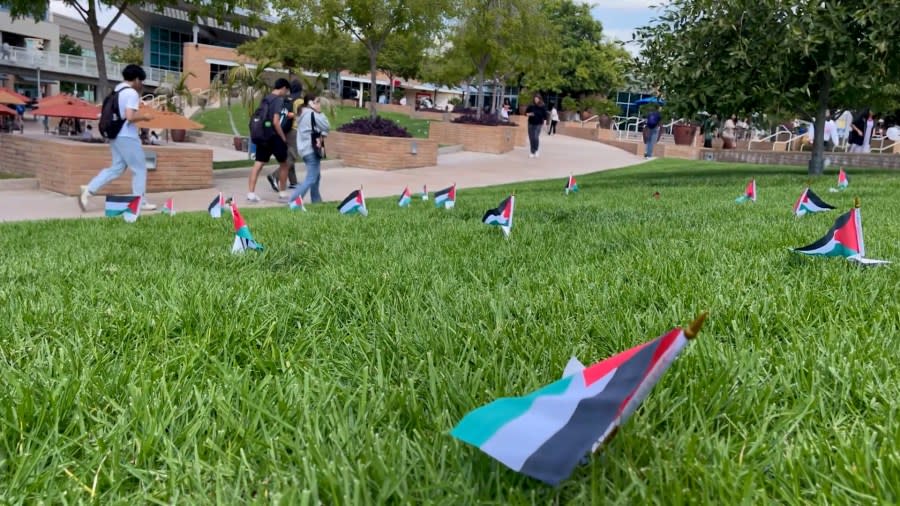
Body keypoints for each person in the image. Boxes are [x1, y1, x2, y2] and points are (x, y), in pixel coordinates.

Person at [78, 64, 157, 212]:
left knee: (117, 168)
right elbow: (129, 116)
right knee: (139, 168)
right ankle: (140, 201)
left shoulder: (117, 90)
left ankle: (88, 190)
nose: (142, 84)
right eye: (142, 81)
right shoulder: (132, 93)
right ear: (137, 79)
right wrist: (145, 116)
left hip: (115, 134)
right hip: (127, 135)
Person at [246, 78, 292, 203]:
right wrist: (283, 137)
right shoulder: (278, 100)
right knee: (284, 163)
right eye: (286, 90)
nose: (286, 93)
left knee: (258, 164)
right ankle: (282, 192)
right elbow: (276, 122)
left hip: (262, 135)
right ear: (283, 88)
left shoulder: (266, 98)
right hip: (274, 136)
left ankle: (251, 193)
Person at [288, 93, 330, 205]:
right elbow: (326, 125)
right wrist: (319, 112)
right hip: (311, 149)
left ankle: (316, 201)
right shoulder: (312, 114)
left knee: (316, 176)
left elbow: (317, 128)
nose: (319, 104)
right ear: (311, 103)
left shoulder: (303, 113)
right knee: (311, 178)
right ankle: (292, 202)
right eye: (317, 101)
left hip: (305, 149)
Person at [267, 79, 303, 193]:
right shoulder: (299, 100)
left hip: (285, 130)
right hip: (295, 131)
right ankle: (275, 176)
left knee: (289, 156)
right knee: (292, 157)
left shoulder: (286, 99)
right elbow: (302, 116)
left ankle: (293, 182)